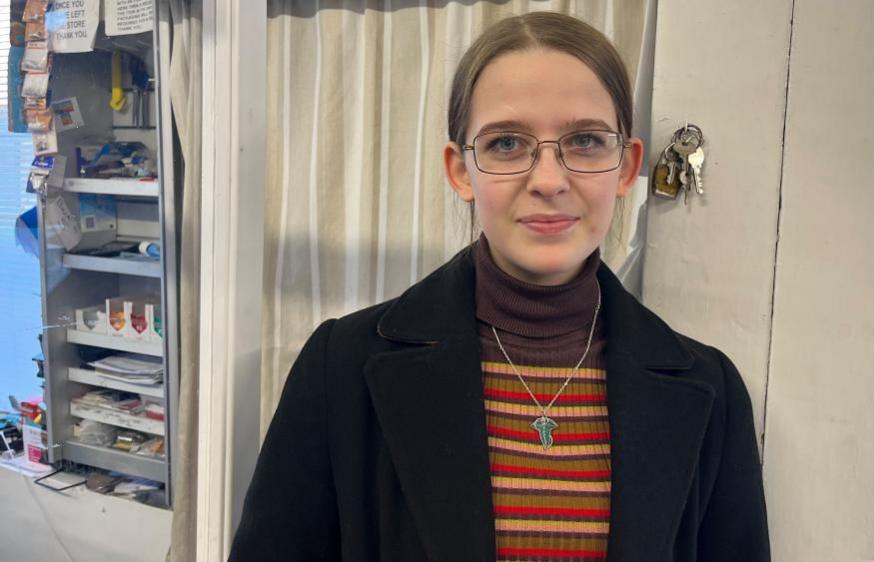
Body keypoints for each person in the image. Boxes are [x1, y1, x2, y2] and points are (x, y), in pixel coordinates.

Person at [229, 11, 769, 562]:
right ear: (461, 170)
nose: (550, 181)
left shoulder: (712, 391)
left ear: (626, 166)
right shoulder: (340, 368)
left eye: (584, 140)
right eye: (507, 143)